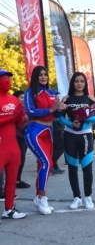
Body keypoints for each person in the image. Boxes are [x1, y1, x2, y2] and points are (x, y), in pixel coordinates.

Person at [24, 65, 67, 215]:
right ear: (35, 77)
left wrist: (60, 108)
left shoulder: (51, 93)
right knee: (47, 162)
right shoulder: (30, 92)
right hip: (35, 131)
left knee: (45, 166)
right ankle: (42, 198)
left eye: (45, 74)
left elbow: (55, 116)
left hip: (49, 132)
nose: (43, 77)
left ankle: (39, 198)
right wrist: (50, 110)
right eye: (40, 75)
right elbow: (30, 111)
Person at [59, 72, 95, 210]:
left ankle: (88, 196)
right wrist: (71, 124)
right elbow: (60, 118)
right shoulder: (67, 98)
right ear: (73, 83)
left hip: (85, 136)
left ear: (85, 83)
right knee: (72, 168)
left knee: (87, 168)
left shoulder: (90, 98)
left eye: (82, 81)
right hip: (70, 136)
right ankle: (77, 197)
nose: (79, 84)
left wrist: (83, 117)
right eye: (77, 81)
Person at [0, 69, 26, 221]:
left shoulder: (14, 99)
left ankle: (9, 209)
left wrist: (21, 117)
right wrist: (11, 118)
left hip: (12, 146)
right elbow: (9, 119)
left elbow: (17, 122)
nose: (7, 81)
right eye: (4, 78)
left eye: (8, 78)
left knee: (12, 180)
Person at [13, 90, 30, 188]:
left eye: (24, 98)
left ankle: (17, 179)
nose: (23, 100)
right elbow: (19, 122)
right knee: (20, 158)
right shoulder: (15, 109)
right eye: (21, 97)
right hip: (17, 135)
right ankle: (16, 181)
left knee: (22, 158)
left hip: (24, 136)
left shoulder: (25, 108)